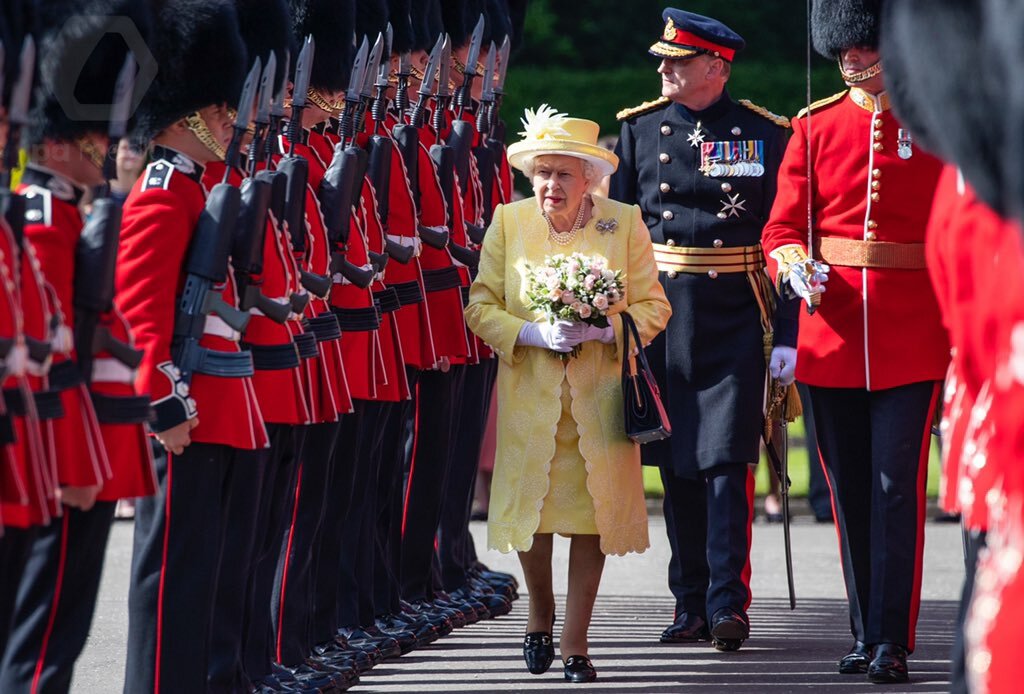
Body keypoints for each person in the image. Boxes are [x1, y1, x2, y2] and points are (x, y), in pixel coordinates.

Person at [760, 0, 948, 683]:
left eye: (863, 47)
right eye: (845, 49)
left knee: (898, 488)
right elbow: (782, 229)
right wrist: (791, 266)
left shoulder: (931, 121)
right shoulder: (814, 126)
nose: (851, 58)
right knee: (847, 492)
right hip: (832, 332)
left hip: (911, 332)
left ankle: (894, 639)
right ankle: (866, 632)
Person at [465, 108, 671, 683]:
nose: (550, 186)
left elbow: (655, 306)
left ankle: (576, 642)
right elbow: (480, 307)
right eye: (541, 173)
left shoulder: (624, 222)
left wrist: (608, 329)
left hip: (599, 401)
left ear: (589, 179)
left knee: (591, 519)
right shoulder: (508, 222)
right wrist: (531, 331)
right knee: (535, 519)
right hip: (532, 399)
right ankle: (540, 612)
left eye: (562, 175)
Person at [608, 8, 791, 652]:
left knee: (725, 464)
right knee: (676, 464)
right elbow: (619, 232)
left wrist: (788, 333)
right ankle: (687, 603)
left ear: (716, 67)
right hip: (661, 318)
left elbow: (787, 238)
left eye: (677, 61)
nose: (663, 69)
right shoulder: (636, 131)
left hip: (736, 314)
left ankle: (726, 604)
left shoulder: (766, 134)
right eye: (663, 59)